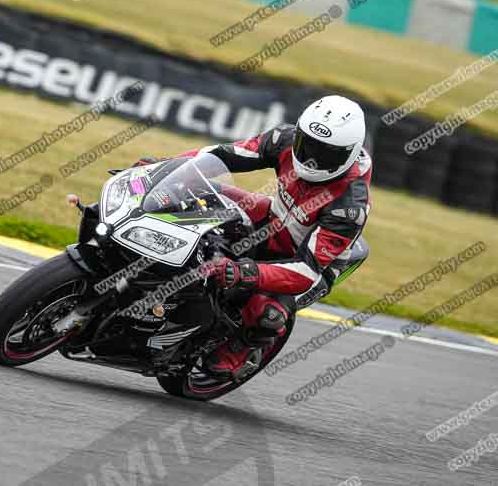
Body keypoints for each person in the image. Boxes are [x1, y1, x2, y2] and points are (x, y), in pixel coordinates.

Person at [136, 95, 372, 380]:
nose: (311, 158)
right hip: (273, 220)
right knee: (199, 192)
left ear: (348, 154)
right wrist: (165, 169)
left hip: (306, 265)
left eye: (326, 153)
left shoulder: (349, 206)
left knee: (267, 313)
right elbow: (222, 155)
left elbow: (307, 271)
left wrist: (244, 271)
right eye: (307, 145)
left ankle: (244, 348)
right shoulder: (283, 140)